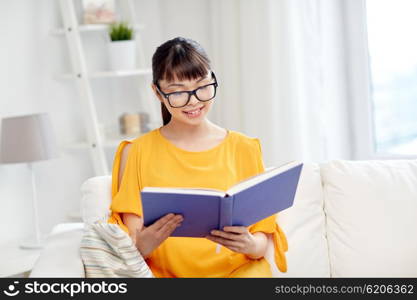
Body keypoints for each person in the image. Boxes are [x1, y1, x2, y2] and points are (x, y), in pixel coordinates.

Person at [108, 37, 288, 277]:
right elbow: (133, 243)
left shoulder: (245, 148)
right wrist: (144, 244)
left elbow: (260, 245)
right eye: (178, 92)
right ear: (158, 93)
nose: (194, 101)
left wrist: (248, 244)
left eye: (202, 86)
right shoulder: (137, 151)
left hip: (238, 274)